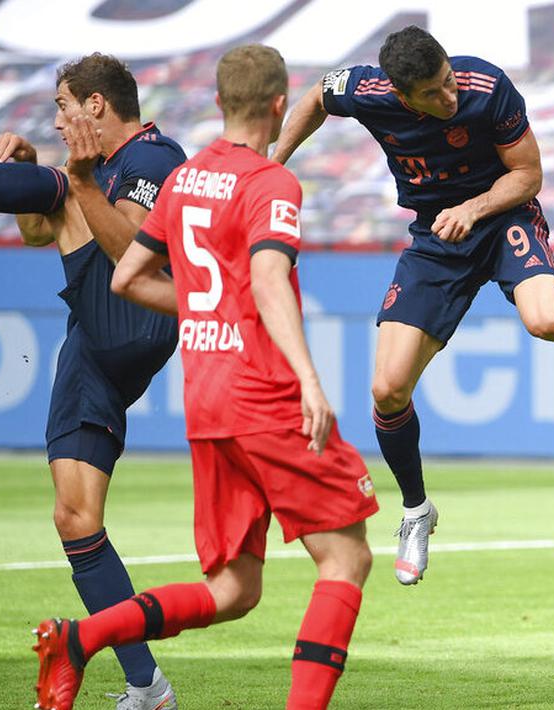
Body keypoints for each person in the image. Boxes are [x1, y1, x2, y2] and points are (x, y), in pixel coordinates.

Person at [271, 25, 554, 586]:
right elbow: (317, 94)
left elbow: (529, 175)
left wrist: (476, 207)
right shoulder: (369, 91)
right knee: (387, 389)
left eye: (447, 81)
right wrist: (277, 160)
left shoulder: (486, 86)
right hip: (436, 239)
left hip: (502, 215)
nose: (450, 96)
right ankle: (416, 511)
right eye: (434, 93)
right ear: (402, 95)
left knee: (546, 319)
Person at [32, 44, 379, 710]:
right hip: (264, 395)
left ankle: (79, 639)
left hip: (207, 400)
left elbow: (129, 276)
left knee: (234, 592)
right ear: (280, 106)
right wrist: (308, 376)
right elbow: (271, 279)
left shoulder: (187, 180)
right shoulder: (271, 182)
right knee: (347, 559)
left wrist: (206, 302)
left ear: (218, 103)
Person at [0, 54, 185, 708]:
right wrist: (30, 173)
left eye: (63, 106)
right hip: (91, 336)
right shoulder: (100, 170)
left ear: (97, 106)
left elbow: (134, 253)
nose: (57, 120)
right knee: (76, 517)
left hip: (138, 312)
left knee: (58, 185)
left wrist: (64, 183)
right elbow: (36, 232)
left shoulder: (154, 159)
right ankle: (149, 689)